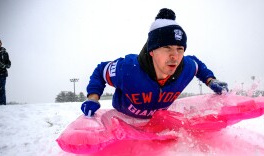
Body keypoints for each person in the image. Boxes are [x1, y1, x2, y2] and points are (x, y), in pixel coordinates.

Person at [81, 8, 228, 119]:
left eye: (180, 49)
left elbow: (198, 65)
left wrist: (211, 80)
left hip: (156, 123)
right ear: (151, 51)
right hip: (124, 121)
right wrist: (93, 98)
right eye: (167, 47)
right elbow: (101, 71)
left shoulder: (186, 67)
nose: (175, 56)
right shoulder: (127, 69)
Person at [0, 37, 11, 105]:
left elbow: (9, 64)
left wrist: (5, 66)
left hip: (3, 75)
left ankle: (3, 106)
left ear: (1, 43)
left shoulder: (5, 53)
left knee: (2, 91)